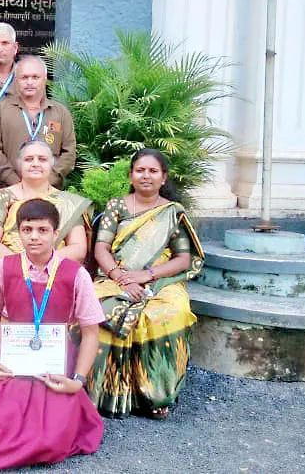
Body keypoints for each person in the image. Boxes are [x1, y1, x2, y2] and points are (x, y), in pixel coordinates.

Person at [0, 198, 104, 473]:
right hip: (12, 359)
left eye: (42, 230)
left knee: (49, 437)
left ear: (56, 233)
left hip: (55, 363)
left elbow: (90, 333)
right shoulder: (5, 267)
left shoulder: (76, 275)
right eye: (27, 230)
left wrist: (77, 381)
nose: (34, 237)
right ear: (18, 233)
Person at [89, 148, 204, 420]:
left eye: (153, 171)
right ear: (131, 175)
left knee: (168, 313)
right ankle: (104, 393)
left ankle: (156, 395)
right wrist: (120, 277)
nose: (146, 176)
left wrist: (147, 275)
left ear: (163, 178)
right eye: (140, 170)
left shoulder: (172, 213)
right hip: (115, 276)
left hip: (160, 281)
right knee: (94, 308)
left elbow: (183, 259)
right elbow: (101, 248)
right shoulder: (116, 206)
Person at [0, 140, 92, 321]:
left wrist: (42, 266)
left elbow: (78, 248)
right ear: (19, 164)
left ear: (52, 164)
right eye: (29, 159)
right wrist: (20, 266)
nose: (35, 164)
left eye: (42, 159)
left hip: (55, 270)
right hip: (7, 268)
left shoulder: (68, 203)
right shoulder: (4, 197)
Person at [0, 55, 76, 191]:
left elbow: (69, 153)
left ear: (44, 79)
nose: (29, 82)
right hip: (10, 191)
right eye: (24, 77)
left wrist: (48, 181)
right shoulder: (2, 110)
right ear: (16, 80)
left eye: (35, 77)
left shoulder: (60, 113)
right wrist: (15, 182)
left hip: (49, 192)